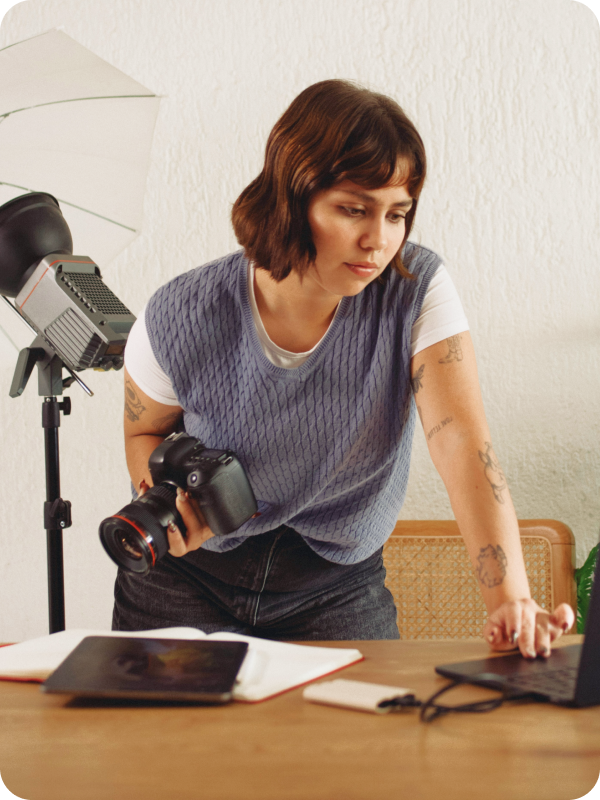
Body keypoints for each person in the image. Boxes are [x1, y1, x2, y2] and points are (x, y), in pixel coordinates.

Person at [116, 79, 574, 655]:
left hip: (334, 586)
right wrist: (168, 505)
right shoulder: (180, 312)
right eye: (353, 209)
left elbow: (459, 438)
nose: (377, 241)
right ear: (291, 197)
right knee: (158, 744)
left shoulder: (414, 290)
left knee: (365, 741)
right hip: (185, 582)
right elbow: (145, 430)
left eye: (396, 214)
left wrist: (509, 599)